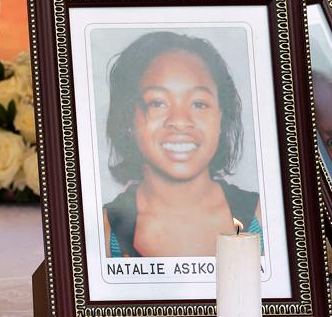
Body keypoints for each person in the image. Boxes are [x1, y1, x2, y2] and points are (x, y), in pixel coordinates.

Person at [101, 31, 260, 258]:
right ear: (128, 118)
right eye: (157, 103)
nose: (180, 121)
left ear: (222, 117)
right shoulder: (104, 234)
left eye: (198, 103)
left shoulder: (265, 218)